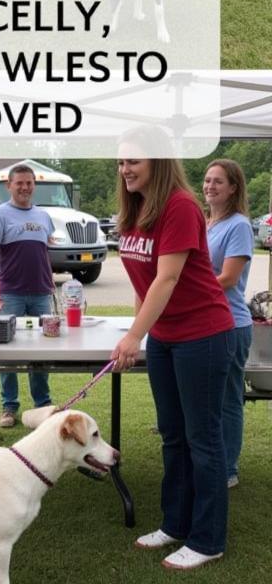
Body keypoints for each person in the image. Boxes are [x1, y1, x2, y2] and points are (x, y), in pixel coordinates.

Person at [110, 147, 234, 570]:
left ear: (158, 163)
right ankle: (175, 523)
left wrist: (133, 335)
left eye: (134, 161)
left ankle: (207, 538)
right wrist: (142, 327)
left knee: (203, 439)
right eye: (121, 161)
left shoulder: (180, 205)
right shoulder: (136, 208)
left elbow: (168, 276)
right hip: (165, 337)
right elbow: (143, 278)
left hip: (202, 333)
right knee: (173, 435)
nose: (125, 169)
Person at [0, 164, 55, 428]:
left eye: (29, 183)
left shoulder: (44, 216)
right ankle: (9, 406)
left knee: (41, 351)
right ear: (9, 186)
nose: (24, 187)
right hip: (11, 293)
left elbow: (44, 252)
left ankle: (42, 405)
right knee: (7, 351)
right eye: (19, 183)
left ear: (35, 185)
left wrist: (53, 283)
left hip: (42, 293)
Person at [202, 159, 253, 489]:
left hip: (232, 325)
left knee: (228, 400)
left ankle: (228, 469)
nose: (210, 186)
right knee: (208, 399)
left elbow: (229, 278)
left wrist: (182, 286)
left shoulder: (239, 225)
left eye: (218, 181)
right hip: (205, 324)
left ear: (233, 187)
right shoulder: (207, 224)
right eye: (207, 180)